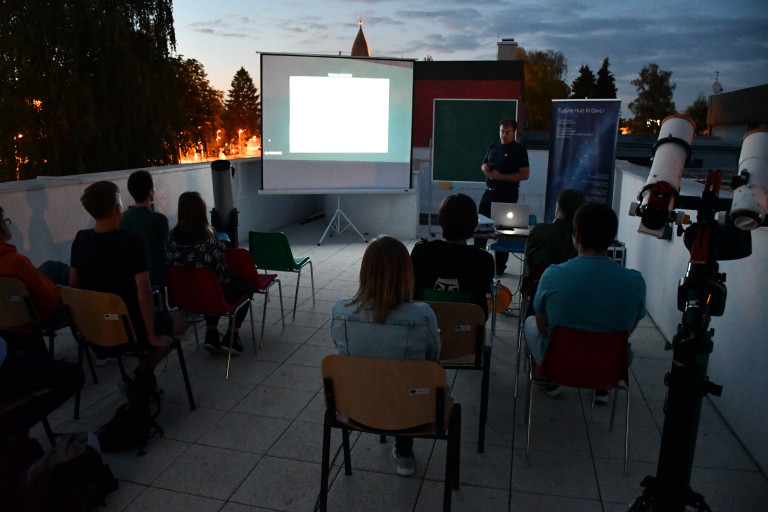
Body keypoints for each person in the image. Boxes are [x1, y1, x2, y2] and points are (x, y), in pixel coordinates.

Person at [331, 235, 440, 476]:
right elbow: (433, 358)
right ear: (406, 273)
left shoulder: (340, 311)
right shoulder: (423, 316)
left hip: (355, 403)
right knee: (411, 383)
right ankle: (404, 452)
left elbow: (342, 350)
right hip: (410, 407)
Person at [524, 203, 646, 398]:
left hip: (559, 363)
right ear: (612, 238)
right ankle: (601, 387)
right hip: (611, 365)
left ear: (577, 236)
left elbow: (541, 326)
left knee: (528, 322)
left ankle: (547, 381)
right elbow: (627, 328)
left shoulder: (553, 274)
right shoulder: (635, 281)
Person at [166, 191, 253, 354]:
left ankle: (211, 333)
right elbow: (221, 271)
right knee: (244, 287)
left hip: (184, 297)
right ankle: (231, 337)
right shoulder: (208, 237)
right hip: (207, 295)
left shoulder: (171, 237)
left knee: (207, 286)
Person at [411, 193, 495, 318]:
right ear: (473, 224)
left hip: (424, 325)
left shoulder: (421, 252)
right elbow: (482, 296)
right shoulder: (483, 259)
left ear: (441, 221)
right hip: (467, 330)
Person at [0, 206, 62, 352]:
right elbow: (50, 300)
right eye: (4, 221)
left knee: (51, 267)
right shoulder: (16, 262)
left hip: (6, 320)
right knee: (61, 274)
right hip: (32, 318)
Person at [476, 118, 530, 275]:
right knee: (481, 227)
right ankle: (478, 260)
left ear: (514, 133)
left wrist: (501, 177)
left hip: (507, 194)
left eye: (508, 132)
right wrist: (484, 168)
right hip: (489, 191)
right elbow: (483, 164)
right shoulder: (493, 146)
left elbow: (525, 175)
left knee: (503, 231)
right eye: (502, 132)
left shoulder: (519, 150)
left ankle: (499, 266)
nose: (504, 135)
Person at [522, 189, 585, 292]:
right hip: (572, 290)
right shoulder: (582, 238)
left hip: (538, 289)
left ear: (558, 207)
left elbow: (529, 262)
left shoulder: (539, 231)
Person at [119, 170, 170, 291]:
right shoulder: (159, 220)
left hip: (131, 277)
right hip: (156, 276)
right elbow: (165, 247)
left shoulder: (122, 219)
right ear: (150, 191)